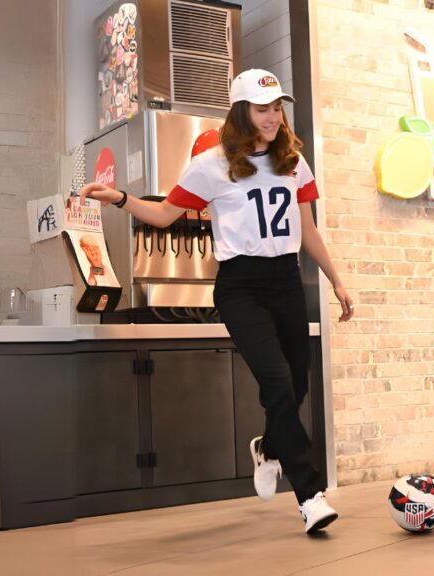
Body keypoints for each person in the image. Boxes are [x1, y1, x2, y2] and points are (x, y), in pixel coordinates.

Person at [78, 69, 354, 535]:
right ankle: (311, 496)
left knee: (297, 386)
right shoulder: (212, 163)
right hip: (240, 286)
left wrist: (337, 281)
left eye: (277, 108)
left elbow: (307, 230)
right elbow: (165, 215)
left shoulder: (294, 162)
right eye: (263, 108)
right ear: (242, 110)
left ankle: (267, 448)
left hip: (285, 281)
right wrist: (120, 198)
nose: (272, 117)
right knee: (277, 384)